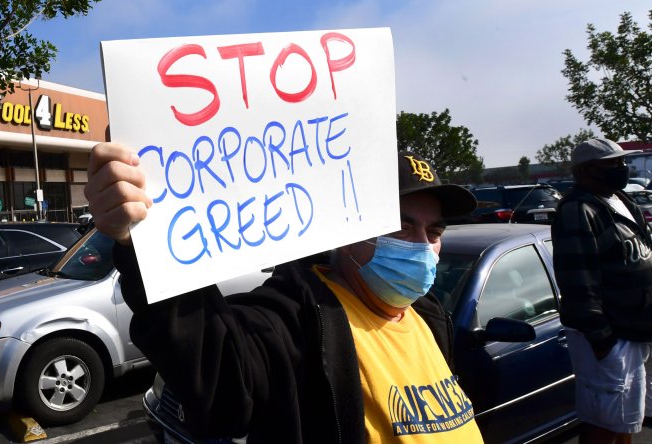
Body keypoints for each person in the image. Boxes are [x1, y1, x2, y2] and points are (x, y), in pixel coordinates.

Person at [86, 142, 483, 443]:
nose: (421, 247)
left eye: (434, 233)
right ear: (349, 226)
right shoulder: (297, 319)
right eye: (401, 227)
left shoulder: (428, 317)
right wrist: (142, 238)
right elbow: (220, 370)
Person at [551, 138, 652, 444]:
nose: (621, 169)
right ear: (587, 171)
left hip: (633, 330)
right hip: (611, 337)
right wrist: (602, 339)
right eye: (613, 164)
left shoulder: (621, 200)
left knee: (626, 419)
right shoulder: (578, 210)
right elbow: (578, 279)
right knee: (604, 423)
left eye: (622, 163)